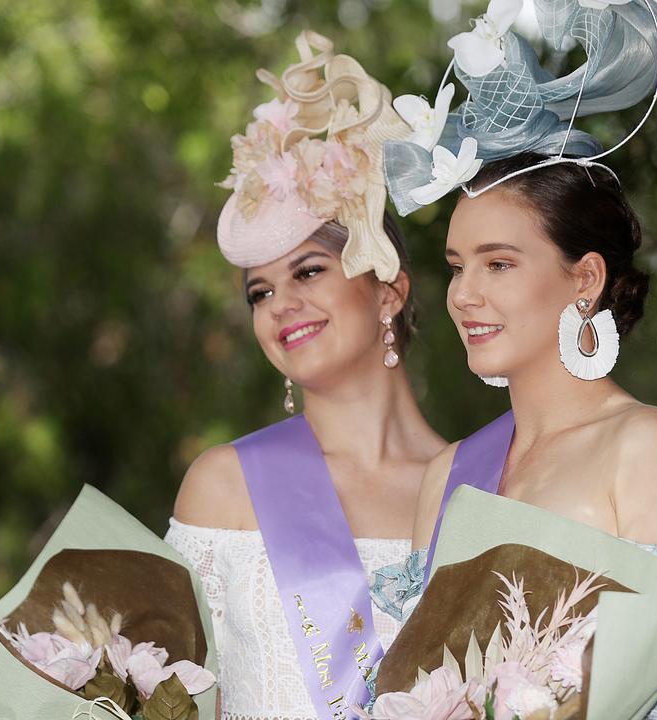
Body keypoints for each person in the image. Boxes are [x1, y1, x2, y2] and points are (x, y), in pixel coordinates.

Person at [381, 0, 657, 716]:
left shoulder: (644, 448)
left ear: (584, 279)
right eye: (457, 265)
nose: (464, 294)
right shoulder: (446, 476)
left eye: (498, 264)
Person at [164, 32, 445, 720]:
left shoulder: (488, 487)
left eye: (308, 271)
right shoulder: (224, 487)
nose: (280, 304)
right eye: (259, 292)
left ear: (389, 290)